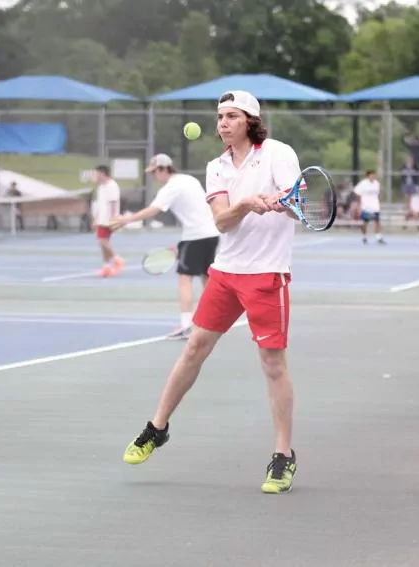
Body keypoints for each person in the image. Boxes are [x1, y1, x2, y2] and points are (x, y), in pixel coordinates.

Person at [122, 90, 302, 494]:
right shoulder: (216, 167)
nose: (223, 123)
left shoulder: (278, 154)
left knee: (273, 364)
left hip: (267, 274)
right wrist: (248, 203)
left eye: (232, 116)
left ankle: (283, 455)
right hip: (226, 273)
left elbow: (298, 208)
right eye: (220, 116)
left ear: (250, 121)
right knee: (194, 348)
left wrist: (282, 202)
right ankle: (157, 428)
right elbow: (222, 221)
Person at [110, 153, 220, 339]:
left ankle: (186, 325)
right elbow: (198, 211)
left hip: (196, 236)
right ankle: (213, 321)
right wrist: (182, 244)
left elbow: (154, 210)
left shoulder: (171, 187)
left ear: (163, 169)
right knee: (207, 278)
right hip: (212, 234)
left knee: (185, 279)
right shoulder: (189, 180)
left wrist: (127, 219)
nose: (153, 176)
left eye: (154, 172)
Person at [91, 165, 124, 277]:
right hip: (101, 219)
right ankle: (106, 267)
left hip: (108, 219)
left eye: (96, 174)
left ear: (102, 174)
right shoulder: (101, 187)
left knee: (102, 241)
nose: (95, 176)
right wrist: (96, 219)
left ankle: (117, 259)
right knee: (103, 243)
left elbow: (113, 202)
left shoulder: (112, 185)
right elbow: (99, 205)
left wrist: (113, 218)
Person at [353, 170, 386, 245]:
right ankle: (364, 237)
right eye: (371, 175)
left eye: (374, 175)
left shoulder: (377, 183)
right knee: (365, 222)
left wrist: (379, 203)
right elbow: (356, 192)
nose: (373, 176)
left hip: (375, 206)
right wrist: (359, 204)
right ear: (368, 176)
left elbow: (378, 194)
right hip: (366, 206)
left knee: (377, 221)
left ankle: (378, 237)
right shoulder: (363, 183)